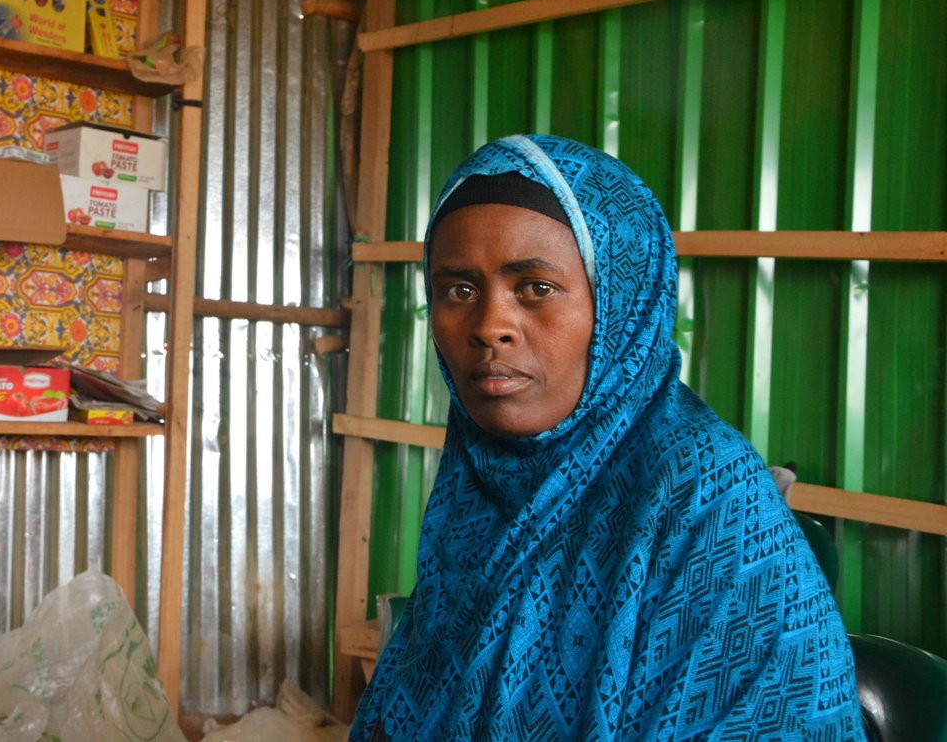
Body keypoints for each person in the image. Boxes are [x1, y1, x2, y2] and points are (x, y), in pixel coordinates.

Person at [350, 135, 864, 740]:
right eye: (458, 290)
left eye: (535, 288)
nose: (490, 326)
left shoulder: (712, 504)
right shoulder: (478, 485)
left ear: (621, 302)